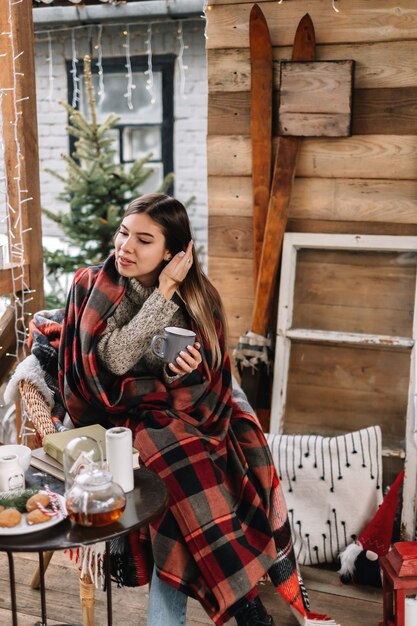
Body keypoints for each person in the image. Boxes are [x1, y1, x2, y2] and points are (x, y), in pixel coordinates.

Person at [6, 193, 334, 626]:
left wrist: (185, 373)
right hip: (110, 411)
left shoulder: (198, 298)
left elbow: (209, 378)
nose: (125, 246)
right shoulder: (94, 284)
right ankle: (246, 607)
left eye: (144, 240)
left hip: (183, 415)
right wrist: (160, 294)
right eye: (125, 233)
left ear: (172, 252)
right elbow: (113, 361)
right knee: (174, 457)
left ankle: (230, 610)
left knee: (177, 466)